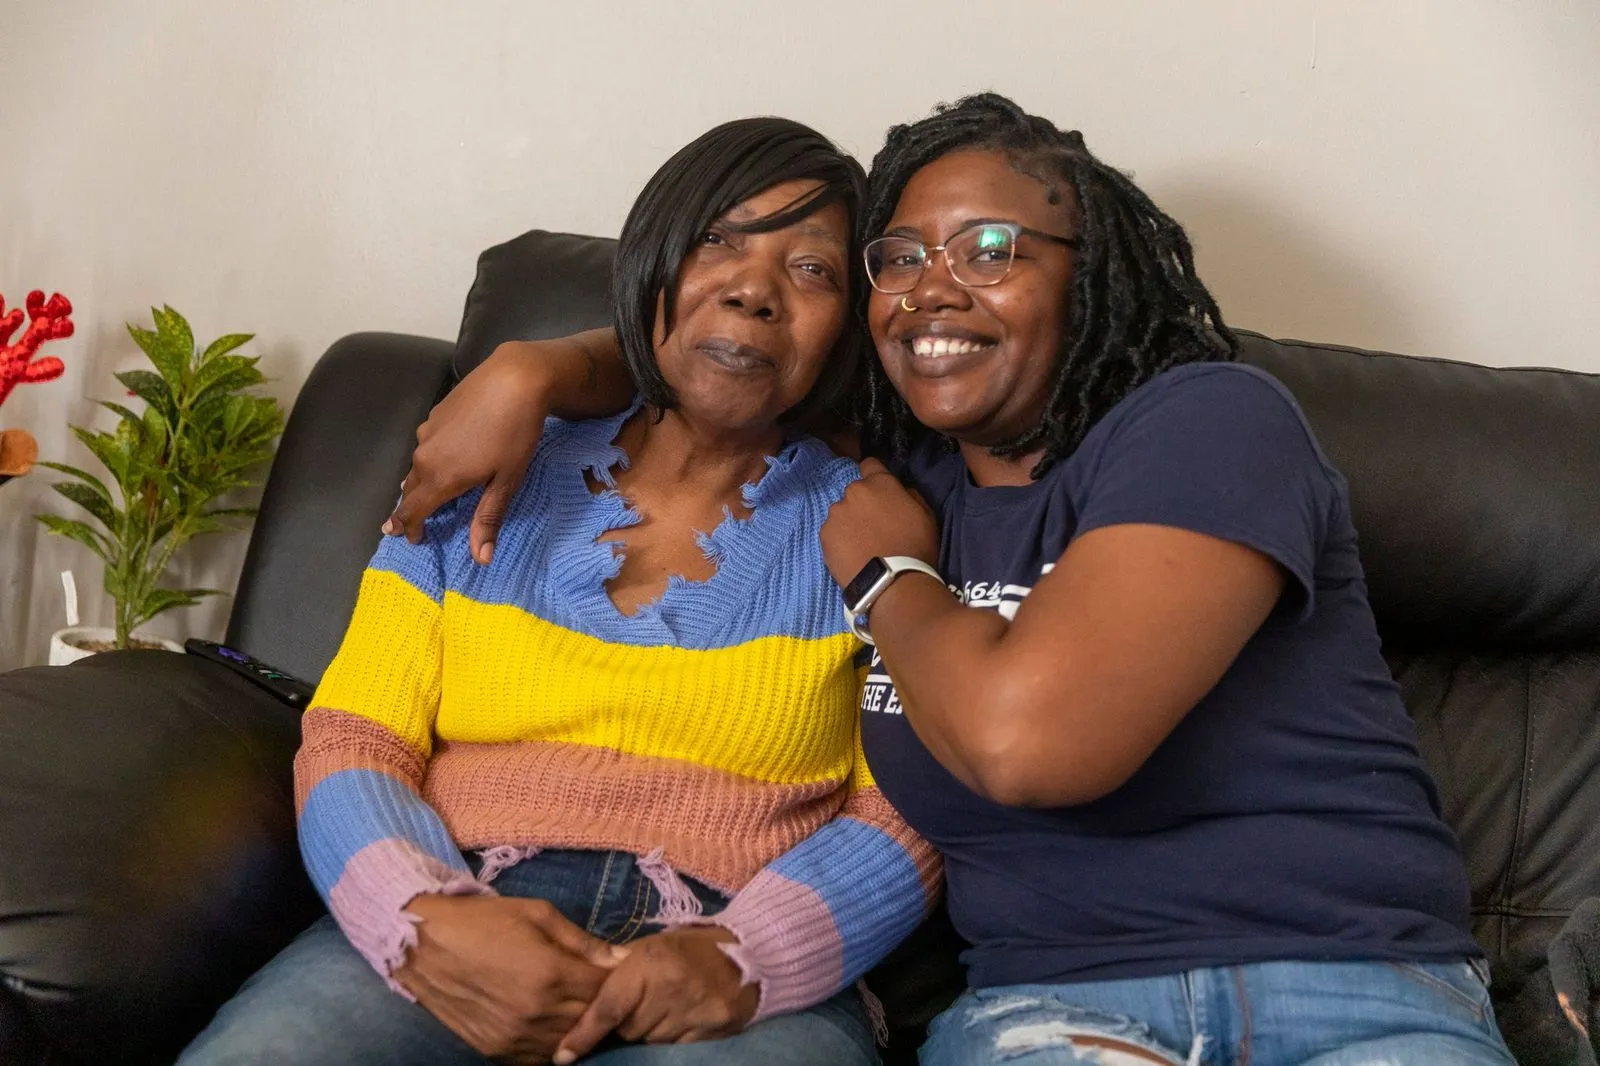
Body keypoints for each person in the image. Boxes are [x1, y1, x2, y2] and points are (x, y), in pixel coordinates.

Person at [393, 94, 1517, 1065]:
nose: (932, 289)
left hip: (1347, 990)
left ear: (1090, 278)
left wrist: (889, 577)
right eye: (898, 259)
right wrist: (530, 367)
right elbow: (726, 356)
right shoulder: (905, 467)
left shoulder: (1208, 423)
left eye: (989, 250)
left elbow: (1029, 745)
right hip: (1056, 1011)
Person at [180, 117, 940, 1066]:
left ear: (849, 327)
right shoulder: (484, 472)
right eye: (718, 241)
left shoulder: (877, 526)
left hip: (735, 955)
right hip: (459, 900)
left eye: (812, 269)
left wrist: (749, 956)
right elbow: (355, 737)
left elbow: (905, 812)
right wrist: (421, 915)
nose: (754, 289)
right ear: (653, 263)